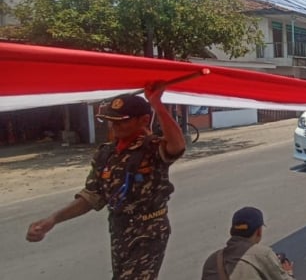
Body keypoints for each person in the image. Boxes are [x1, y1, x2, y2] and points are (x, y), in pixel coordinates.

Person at [26, 85, 186, 280]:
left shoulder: (152, 148)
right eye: (111, 121)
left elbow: (177, 145)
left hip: (149, 231)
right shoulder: (106, 154)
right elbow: (91, 196)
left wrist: (157, 105)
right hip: (119, 229)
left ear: (143, 120)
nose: (114, 126)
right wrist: (52, 220)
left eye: (121, 122)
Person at [201, 206, 295, 280]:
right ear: (259, 232)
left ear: (232, 231)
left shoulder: (212, 260)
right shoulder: (262, 254)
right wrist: (289, 273)